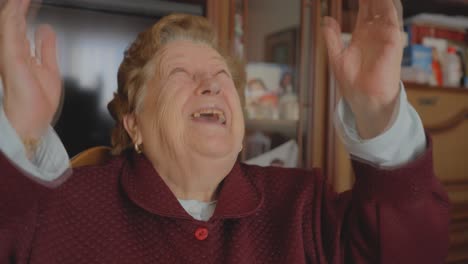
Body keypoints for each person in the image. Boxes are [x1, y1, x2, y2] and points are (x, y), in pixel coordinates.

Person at [0, 0, 449, 263]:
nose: (213, 83)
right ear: (132, 122)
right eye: (179, 72)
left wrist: (376, 111)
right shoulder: (55, 204)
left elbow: (412, 250)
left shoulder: (302, 203)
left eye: (221, 75)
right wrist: (18, 130)